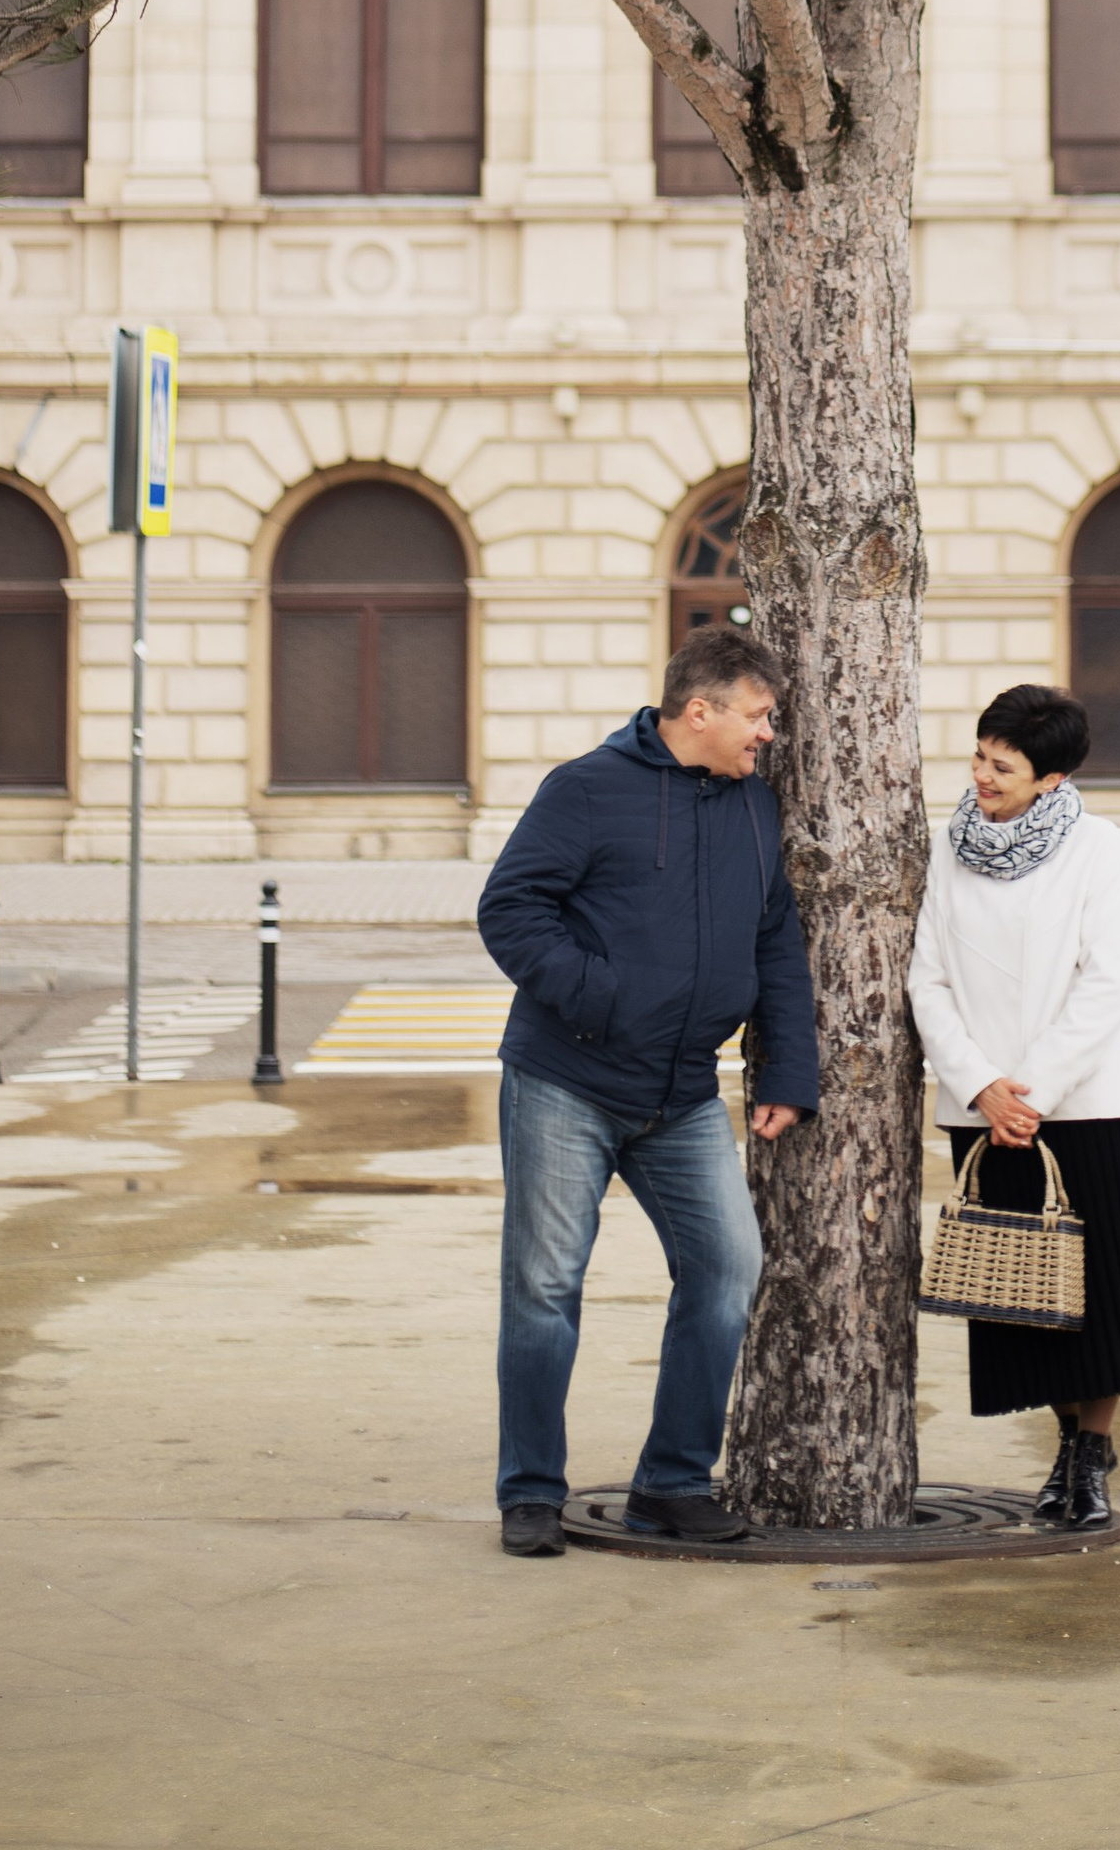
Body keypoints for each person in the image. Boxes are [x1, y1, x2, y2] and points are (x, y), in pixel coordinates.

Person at [475, 621, 819, 1557]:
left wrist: (786, 1069)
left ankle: (670, 1483)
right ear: (697, 710)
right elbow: (509, 907)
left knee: (726, 1271)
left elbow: (775, 942)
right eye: (758, 716)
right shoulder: (585, 790)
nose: (769, 735)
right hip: (566, 1082)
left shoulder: (755, 806)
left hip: (684, 1097)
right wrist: (599, 997)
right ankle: (531, 1493)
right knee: (545, 1287)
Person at [906, 681, 1120, 1530]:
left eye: (1003, 765)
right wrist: (982, 1084)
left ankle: (1088, 1456)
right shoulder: (947, 847)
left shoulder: (1100, 847)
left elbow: (1109, 979)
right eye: (979, 756)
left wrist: (1038, 1090)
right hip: (983, 1104)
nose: (982, 774)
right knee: (1025, 1298)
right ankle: (1066, 1440)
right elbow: (927, 976)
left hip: (1088, 1101)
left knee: (1101, 1298)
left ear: (1050, 778)